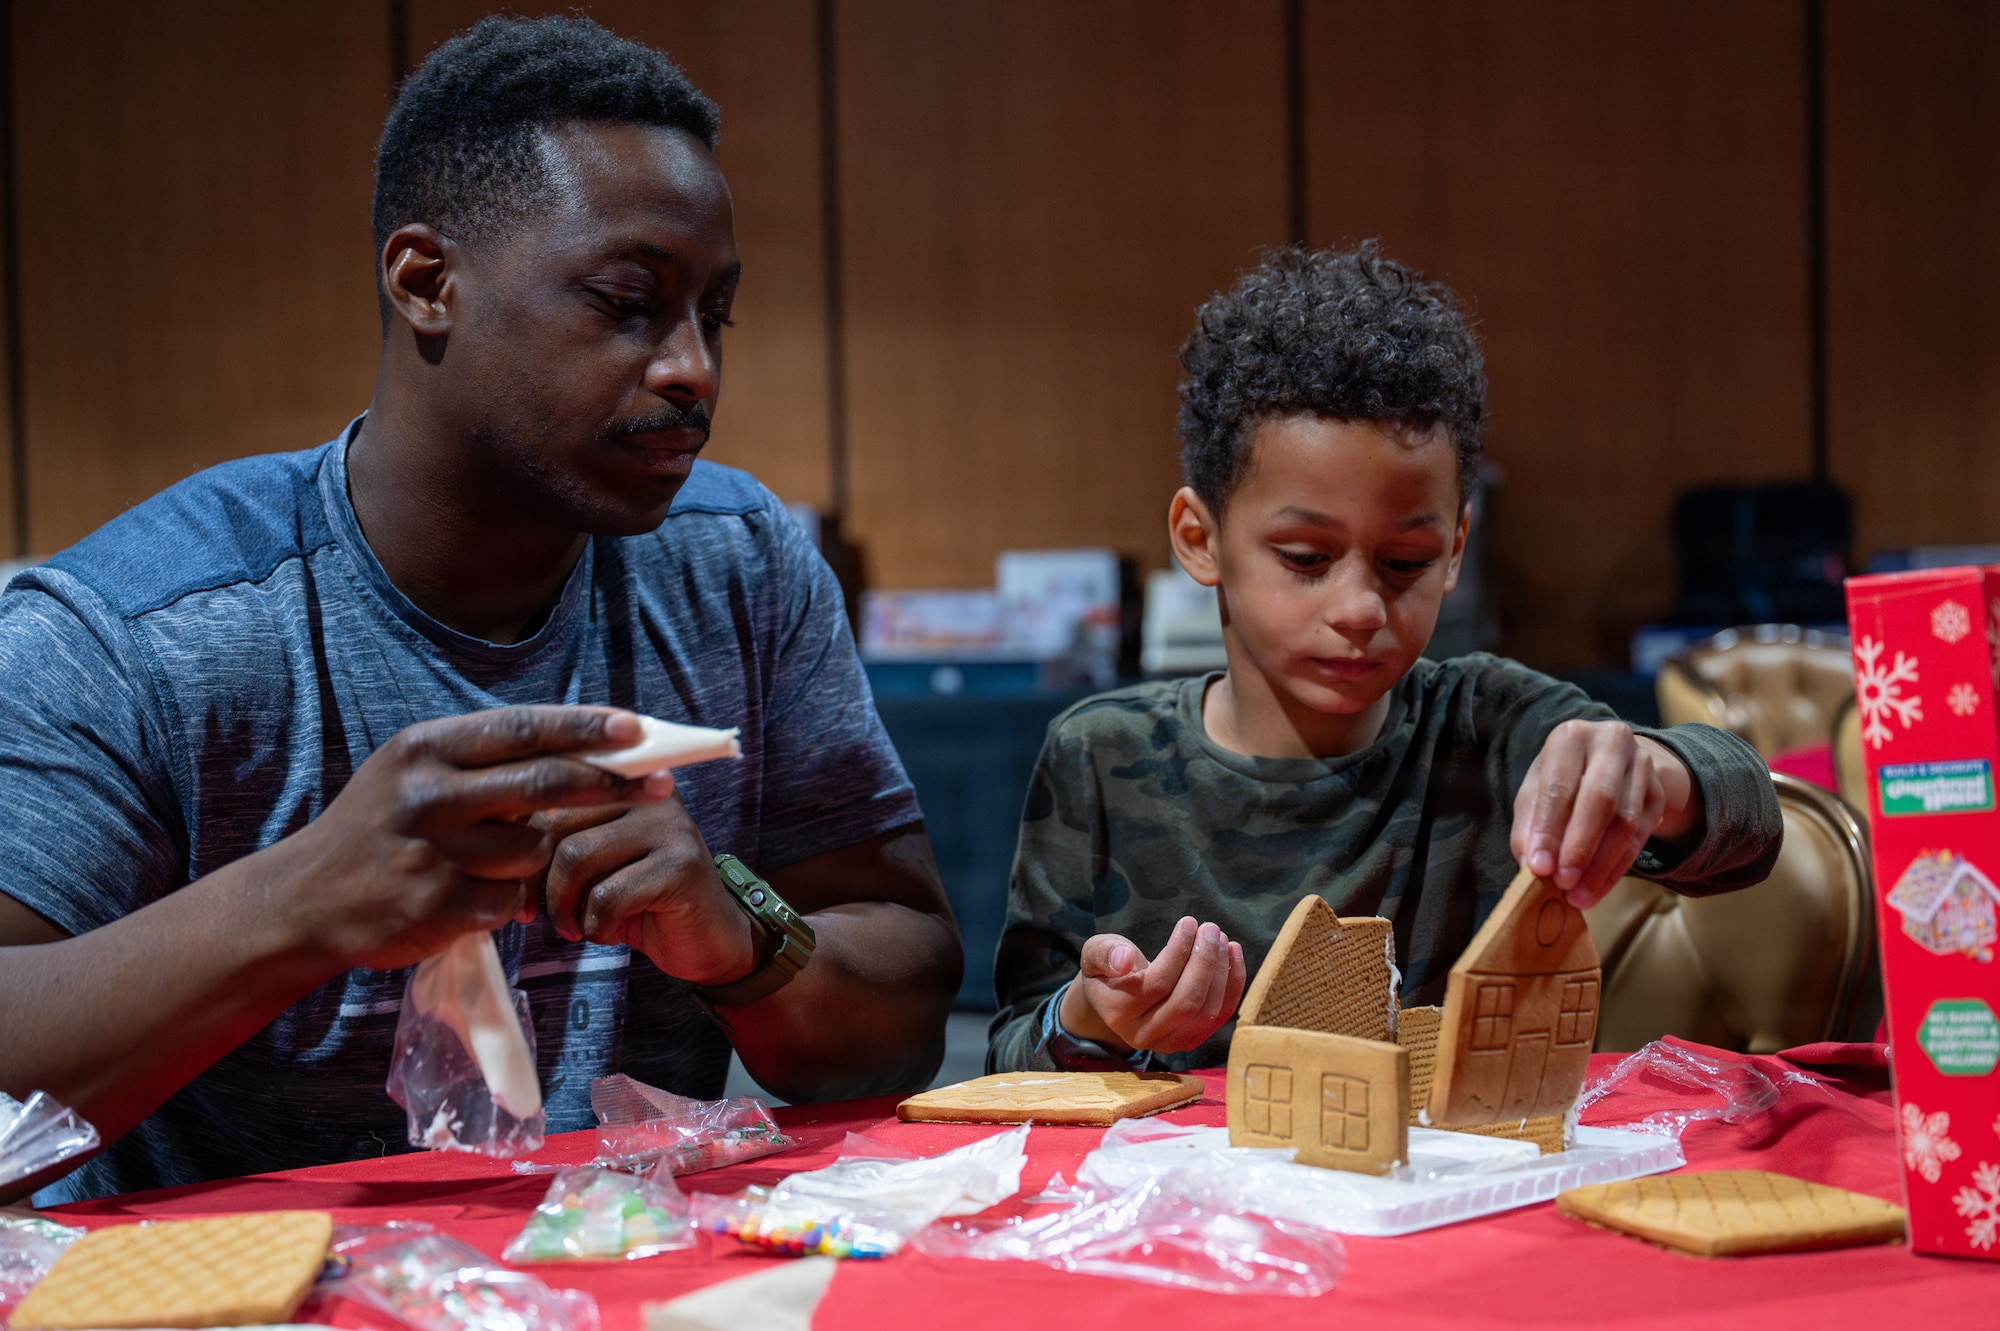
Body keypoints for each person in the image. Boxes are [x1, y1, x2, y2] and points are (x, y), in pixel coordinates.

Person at [0, 15, 960, 1203]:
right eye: (625, 302)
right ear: (426, 282)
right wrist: (297, 903)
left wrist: (737, 928)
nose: (692, 369)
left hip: (624, 1276)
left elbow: (903, 1016)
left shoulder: (740, 565)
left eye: (713, 313)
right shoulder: (140, 629)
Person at [988, 244, 1781, 1074]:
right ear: (1201, 538)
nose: (1361, 609)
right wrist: (1091, 1019)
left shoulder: (1490, 725)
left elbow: (1752, 822)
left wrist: (1655, 772)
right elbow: (1010, 1053)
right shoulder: (1100, 754)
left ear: (1454, 551)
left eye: (1403, 564)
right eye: (1304, 556)